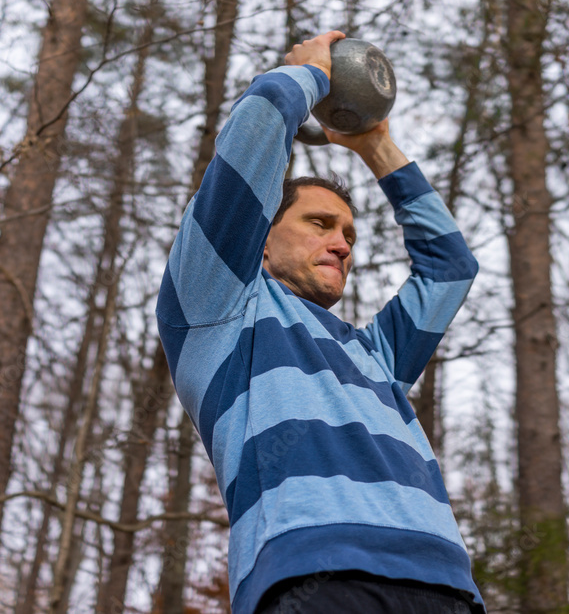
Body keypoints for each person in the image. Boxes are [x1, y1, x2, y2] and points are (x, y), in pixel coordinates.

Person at [156, 30, 484, 614]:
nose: (341, 244)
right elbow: (250, 149)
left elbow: (450, 269)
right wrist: (310, 73)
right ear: (259, 239)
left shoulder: (375, 355)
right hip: (313, 577)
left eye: (349, 235)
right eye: (319, 223)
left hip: (447, 586)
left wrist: (376, 144)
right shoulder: (216, 313)